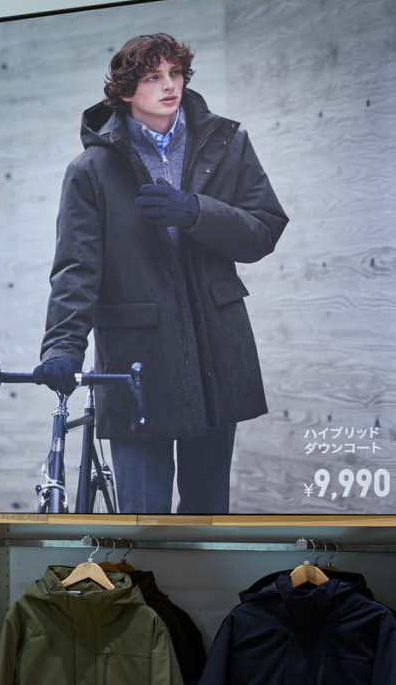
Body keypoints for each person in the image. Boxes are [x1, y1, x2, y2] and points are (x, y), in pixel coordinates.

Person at [35, 31, 286, 514]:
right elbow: (76, 268)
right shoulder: (91, 170)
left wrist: (195, 212)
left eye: (175, 74)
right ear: (126, 91)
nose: (169, 85)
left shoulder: (226, 144)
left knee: (209, 520)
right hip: (138, 363)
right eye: (153, 77)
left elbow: (264, 230)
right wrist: (62, 347)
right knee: (141, 522)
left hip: (216, 350)